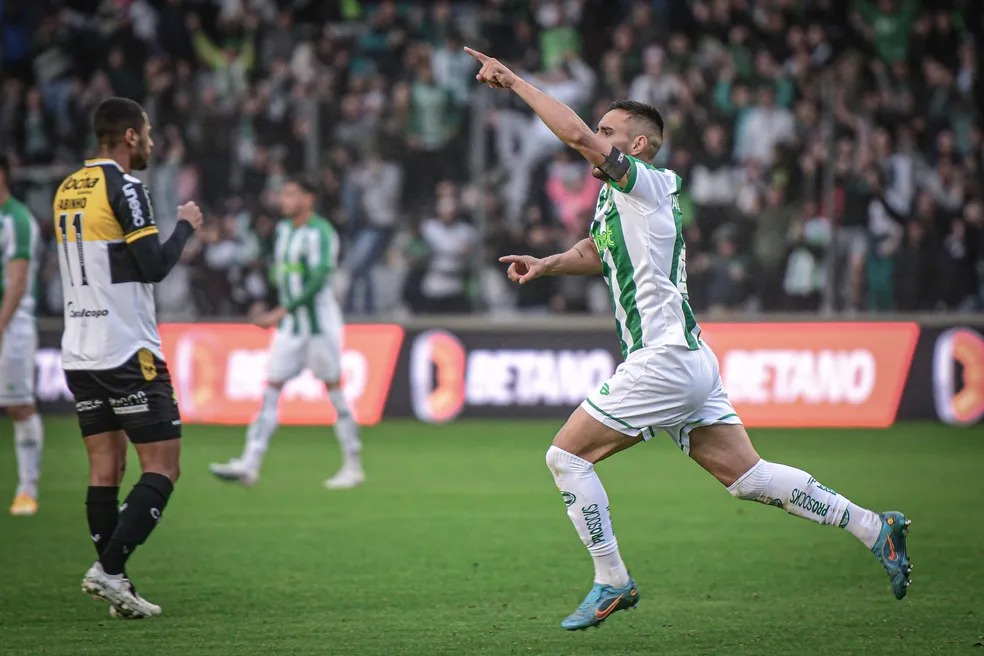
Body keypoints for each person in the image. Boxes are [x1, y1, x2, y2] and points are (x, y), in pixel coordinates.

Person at [464, 47, 913, 631]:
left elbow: (573, 134)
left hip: (664, 359)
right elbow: (598, 252)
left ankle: (612, 580)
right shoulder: (617, 197)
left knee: (565, 456)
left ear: (639, 145)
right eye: (601, 129)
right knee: (748, 477)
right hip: (689, 358)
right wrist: (548, 264)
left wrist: (516, 81)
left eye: (610, 131)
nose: (598, 136)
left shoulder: (644, 183)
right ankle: (876, 528)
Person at [52, 97, 203, 619]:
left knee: (104, 468)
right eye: (150, 133)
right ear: (131, 137)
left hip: (78, 348)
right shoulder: (127, 187)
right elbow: (153, 265)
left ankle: (117, 586)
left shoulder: (68, 187)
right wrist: (185, 225)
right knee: (164, 466)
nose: (154, 142)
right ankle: (110, 570)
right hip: (125, 347)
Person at [209, 176, 363, 489]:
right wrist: (266, 304)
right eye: (283, 194)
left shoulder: (321, 232)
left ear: (309, 199)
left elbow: (319, 278)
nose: (284, 200)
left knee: (334, 389)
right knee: (271, 388)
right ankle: (250, 463)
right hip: (291, 327)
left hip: (320, 326)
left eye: (292, 194)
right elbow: (279, 276)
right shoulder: (282, 232)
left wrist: (281, 311)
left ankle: (353, 464)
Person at [0, 154, 44, 516]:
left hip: (11, 325)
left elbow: (16, 281)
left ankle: (27, 489)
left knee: (19, 405)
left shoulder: (17, 219)